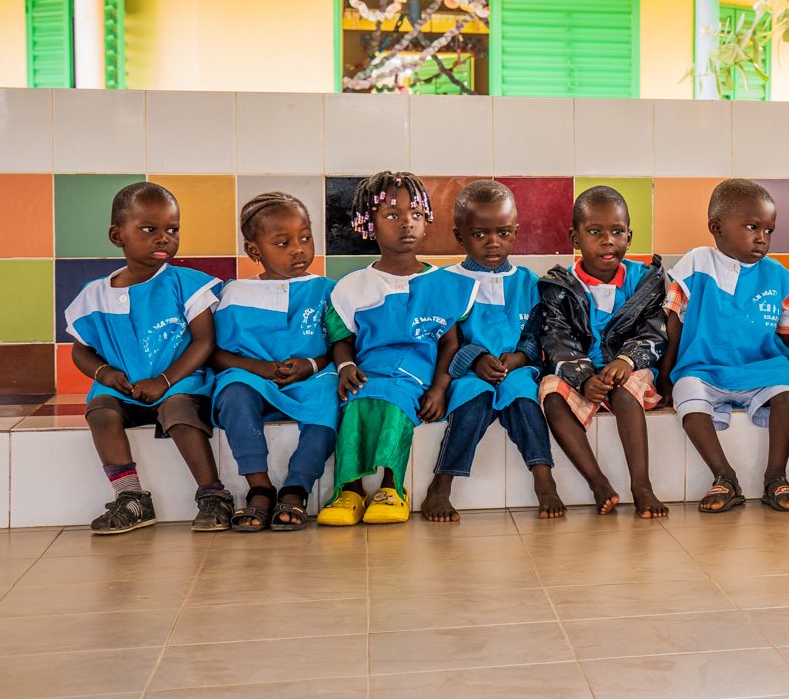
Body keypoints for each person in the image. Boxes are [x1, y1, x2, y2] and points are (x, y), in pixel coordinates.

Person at [65, 182, 225, 535]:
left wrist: (165, 381)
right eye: (149, 229)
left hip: (179, 384)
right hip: (125, 390)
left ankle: (213, 494)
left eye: (172, 229)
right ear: (117, 235)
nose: (163, 238)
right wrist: (103, 373)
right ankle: (131, 498)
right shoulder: (94, 295)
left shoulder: (186, 283)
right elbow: (81, 349)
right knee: (100, 412)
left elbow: (204, 341)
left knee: (178, 412)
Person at [317, 172, 470, 527]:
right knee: (353, 402)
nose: (407, 224)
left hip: (415, 376)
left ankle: (391, 486)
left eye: (415, 215)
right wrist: (345, 367)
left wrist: (439, 387)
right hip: (368, 371)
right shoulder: (354, 286)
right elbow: (342, 340)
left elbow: (450, 343)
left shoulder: (445, 283)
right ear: (367, 224)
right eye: (392, 215)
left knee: (393, 400)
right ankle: (349, 489)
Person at [664, 178, 789, 514]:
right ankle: (724, 476)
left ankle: (775, 477)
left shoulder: (779, 277)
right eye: (752, 227)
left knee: (787, 392)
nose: (762, 238)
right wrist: (665, 375)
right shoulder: (696, 264)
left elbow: (786, 334)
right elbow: (674, 322)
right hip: (704, 366)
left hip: (760, 366)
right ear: (717, 228)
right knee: (687, 393)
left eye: (769, 230)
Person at [421, 180, 558, 523]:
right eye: (480, 234)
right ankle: (441, 485)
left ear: (515, 232)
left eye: (502, 232)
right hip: (466, 372)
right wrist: (476, 359)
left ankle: (545, 481)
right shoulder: (447, 281)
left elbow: (534, 332)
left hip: (516, 370)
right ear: (460, 235)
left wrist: (521, 358)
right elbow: (444, 338)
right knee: (473, 401)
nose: (493, 242)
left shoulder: (527, 281)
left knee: (524, 399)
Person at [535, 185, 669, 518]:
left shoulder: (645, 281)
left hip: (631, 371)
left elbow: (654, 332)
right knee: (551, 393)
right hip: (581, 374)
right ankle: (598, 483)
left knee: (624, 391)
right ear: (575, 237)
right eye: (595, 232)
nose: (607, 240)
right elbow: (556, 340)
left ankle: (642, 487)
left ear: (629, 235)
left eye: (617, 231)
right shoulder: (559, 285)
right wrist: (582, 379)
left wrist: (626, 360)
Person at [209, 191, 337, 532]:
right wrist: (260, 369)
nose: (298, 248)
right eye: (282, 243)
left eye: (305, 238)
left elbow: (342, 345)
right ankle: (260, 488)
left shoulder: (328, 290)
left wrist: (311, 365)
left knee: (332, 395)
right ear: (255, 250)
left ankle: (297, 487)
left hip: (312, 380)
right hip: (255, 380)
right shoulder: (234, 293)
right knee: (234, 391)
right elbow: (216, 353)